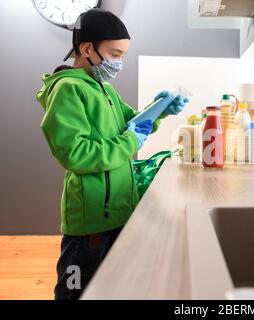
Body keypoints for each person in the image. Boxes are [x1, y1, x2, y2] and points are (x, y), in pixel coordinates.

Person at [36, 9, 188, 300]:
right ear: (87, 49)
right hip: (90, 218)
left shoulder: (104, 88)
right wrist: (131, 140)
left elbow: (132, 124)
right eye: (115, 54)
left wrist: (159, 110)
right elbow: (77, 155)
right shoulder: (67, 90)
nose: (120, 63)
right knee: (75, 290)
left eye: (123, 55)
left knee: (111, 289)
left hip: (119, 210)